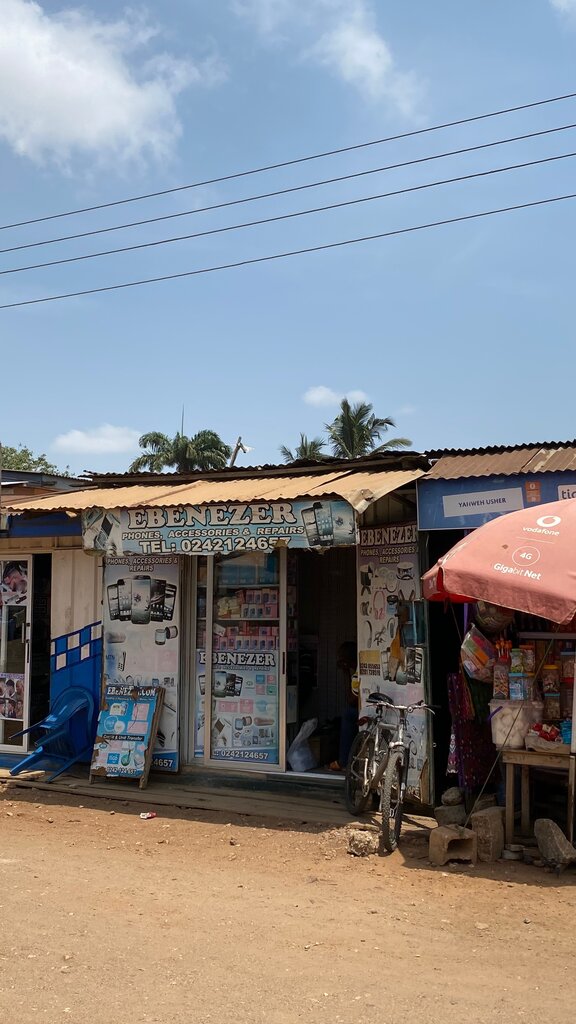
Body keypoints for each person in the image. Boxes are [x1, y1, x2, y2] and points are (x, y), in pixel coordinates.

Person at [329, 641, 358, 772]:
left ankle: (343, 760)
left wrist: (346, 674)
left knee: (348, 714)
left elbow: (351, 700)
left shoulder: (357, 674)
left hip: (364, 709)